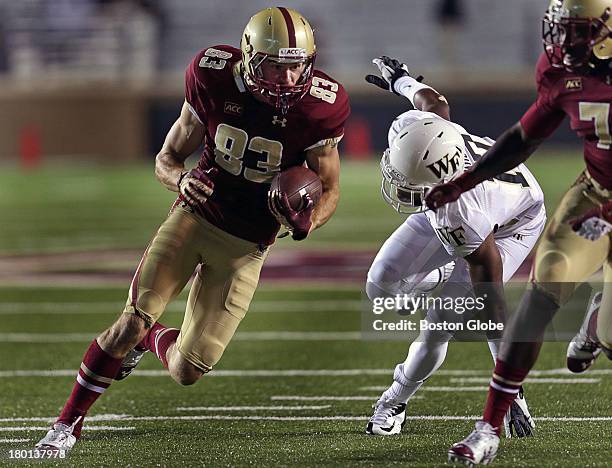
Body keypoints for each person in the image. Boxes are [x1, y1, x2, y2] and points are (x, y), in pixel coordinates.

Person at [35, 6, 350, 454]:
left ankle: (152, 337)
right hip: (194, 218)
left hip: (247, 245)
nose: (286, 78)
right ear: (249, 56)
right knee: (129, 320)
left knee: (188, 370)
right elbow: (166, 159)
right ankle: (66, 425)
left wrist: (307, 221)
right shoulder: (212, 75)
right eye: (275, 65)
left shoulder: (321, 106)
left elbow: (332, 188)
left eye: (296, 65)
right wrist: (181, 179)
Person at [424, 0, 612, 465]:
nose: (565, 44)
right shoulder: (559, 70)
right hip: (595, 189)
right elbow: (525, 137)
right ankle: (488, 428)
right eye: (562, 30)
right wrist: (464, 182)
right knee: (541, 291)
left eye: (579, 32)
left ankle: (598, 322)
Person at [363, 57, 542, 438]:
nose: (397, 187)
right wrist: (402, 81)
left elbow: (491, 301)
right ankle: (439, 274)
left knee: (439, 325)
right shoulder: (418, 131)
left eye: (408, 183)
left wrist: (508, 384)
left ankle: (395, 400)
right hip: (450, 200)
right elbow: (434, 105)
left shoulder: (462, 212)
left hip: (513, 223)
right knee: (380, 283)